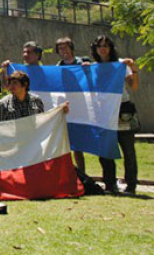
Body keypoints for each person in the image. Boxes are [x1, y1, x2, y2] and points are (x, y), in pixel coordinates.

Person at [91, 35, 140, 194]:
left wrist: (133, 68)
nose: (103, 49)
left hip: (122, 110)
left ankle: (131, 185)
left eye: (106, 45)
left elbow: (134, 86)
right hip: (103, 111)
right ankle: (110, 184)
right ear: (95, 49)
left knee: (128, 150)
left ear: (111, 48)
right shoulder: (93, 67)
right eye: (100, 46)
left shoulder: (120, 65)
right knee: (105, 150)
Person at [54, 37, 89, 173]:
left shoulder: (82, 63)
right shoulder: (58, 67)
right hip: (65, 106)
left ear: (71, 48)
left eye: (65, 47)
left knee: (78, 145)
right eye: (60, 48)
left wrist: (87, 68)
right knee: (66, 142)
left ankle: (82, 173)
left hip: (81, 106)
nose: (63, 51)